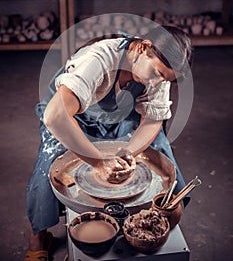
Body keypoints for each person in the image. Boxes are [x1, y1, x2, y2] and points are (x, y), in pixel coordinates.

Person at [24, 24, 193, 261]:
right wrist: (99, 162)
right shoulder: (98, 59)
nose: (156, 83)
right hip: (72, 116)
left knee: (158, 149)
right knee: (52, 158)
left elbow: (153, 120)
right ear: (144, 47)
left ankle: (156, 219)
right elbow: (55, 116)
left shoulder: (159, 69)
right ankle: (37, 237)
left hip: (118, 116)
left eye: (164, 79)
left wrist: (129, 152)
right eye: (156, 74)